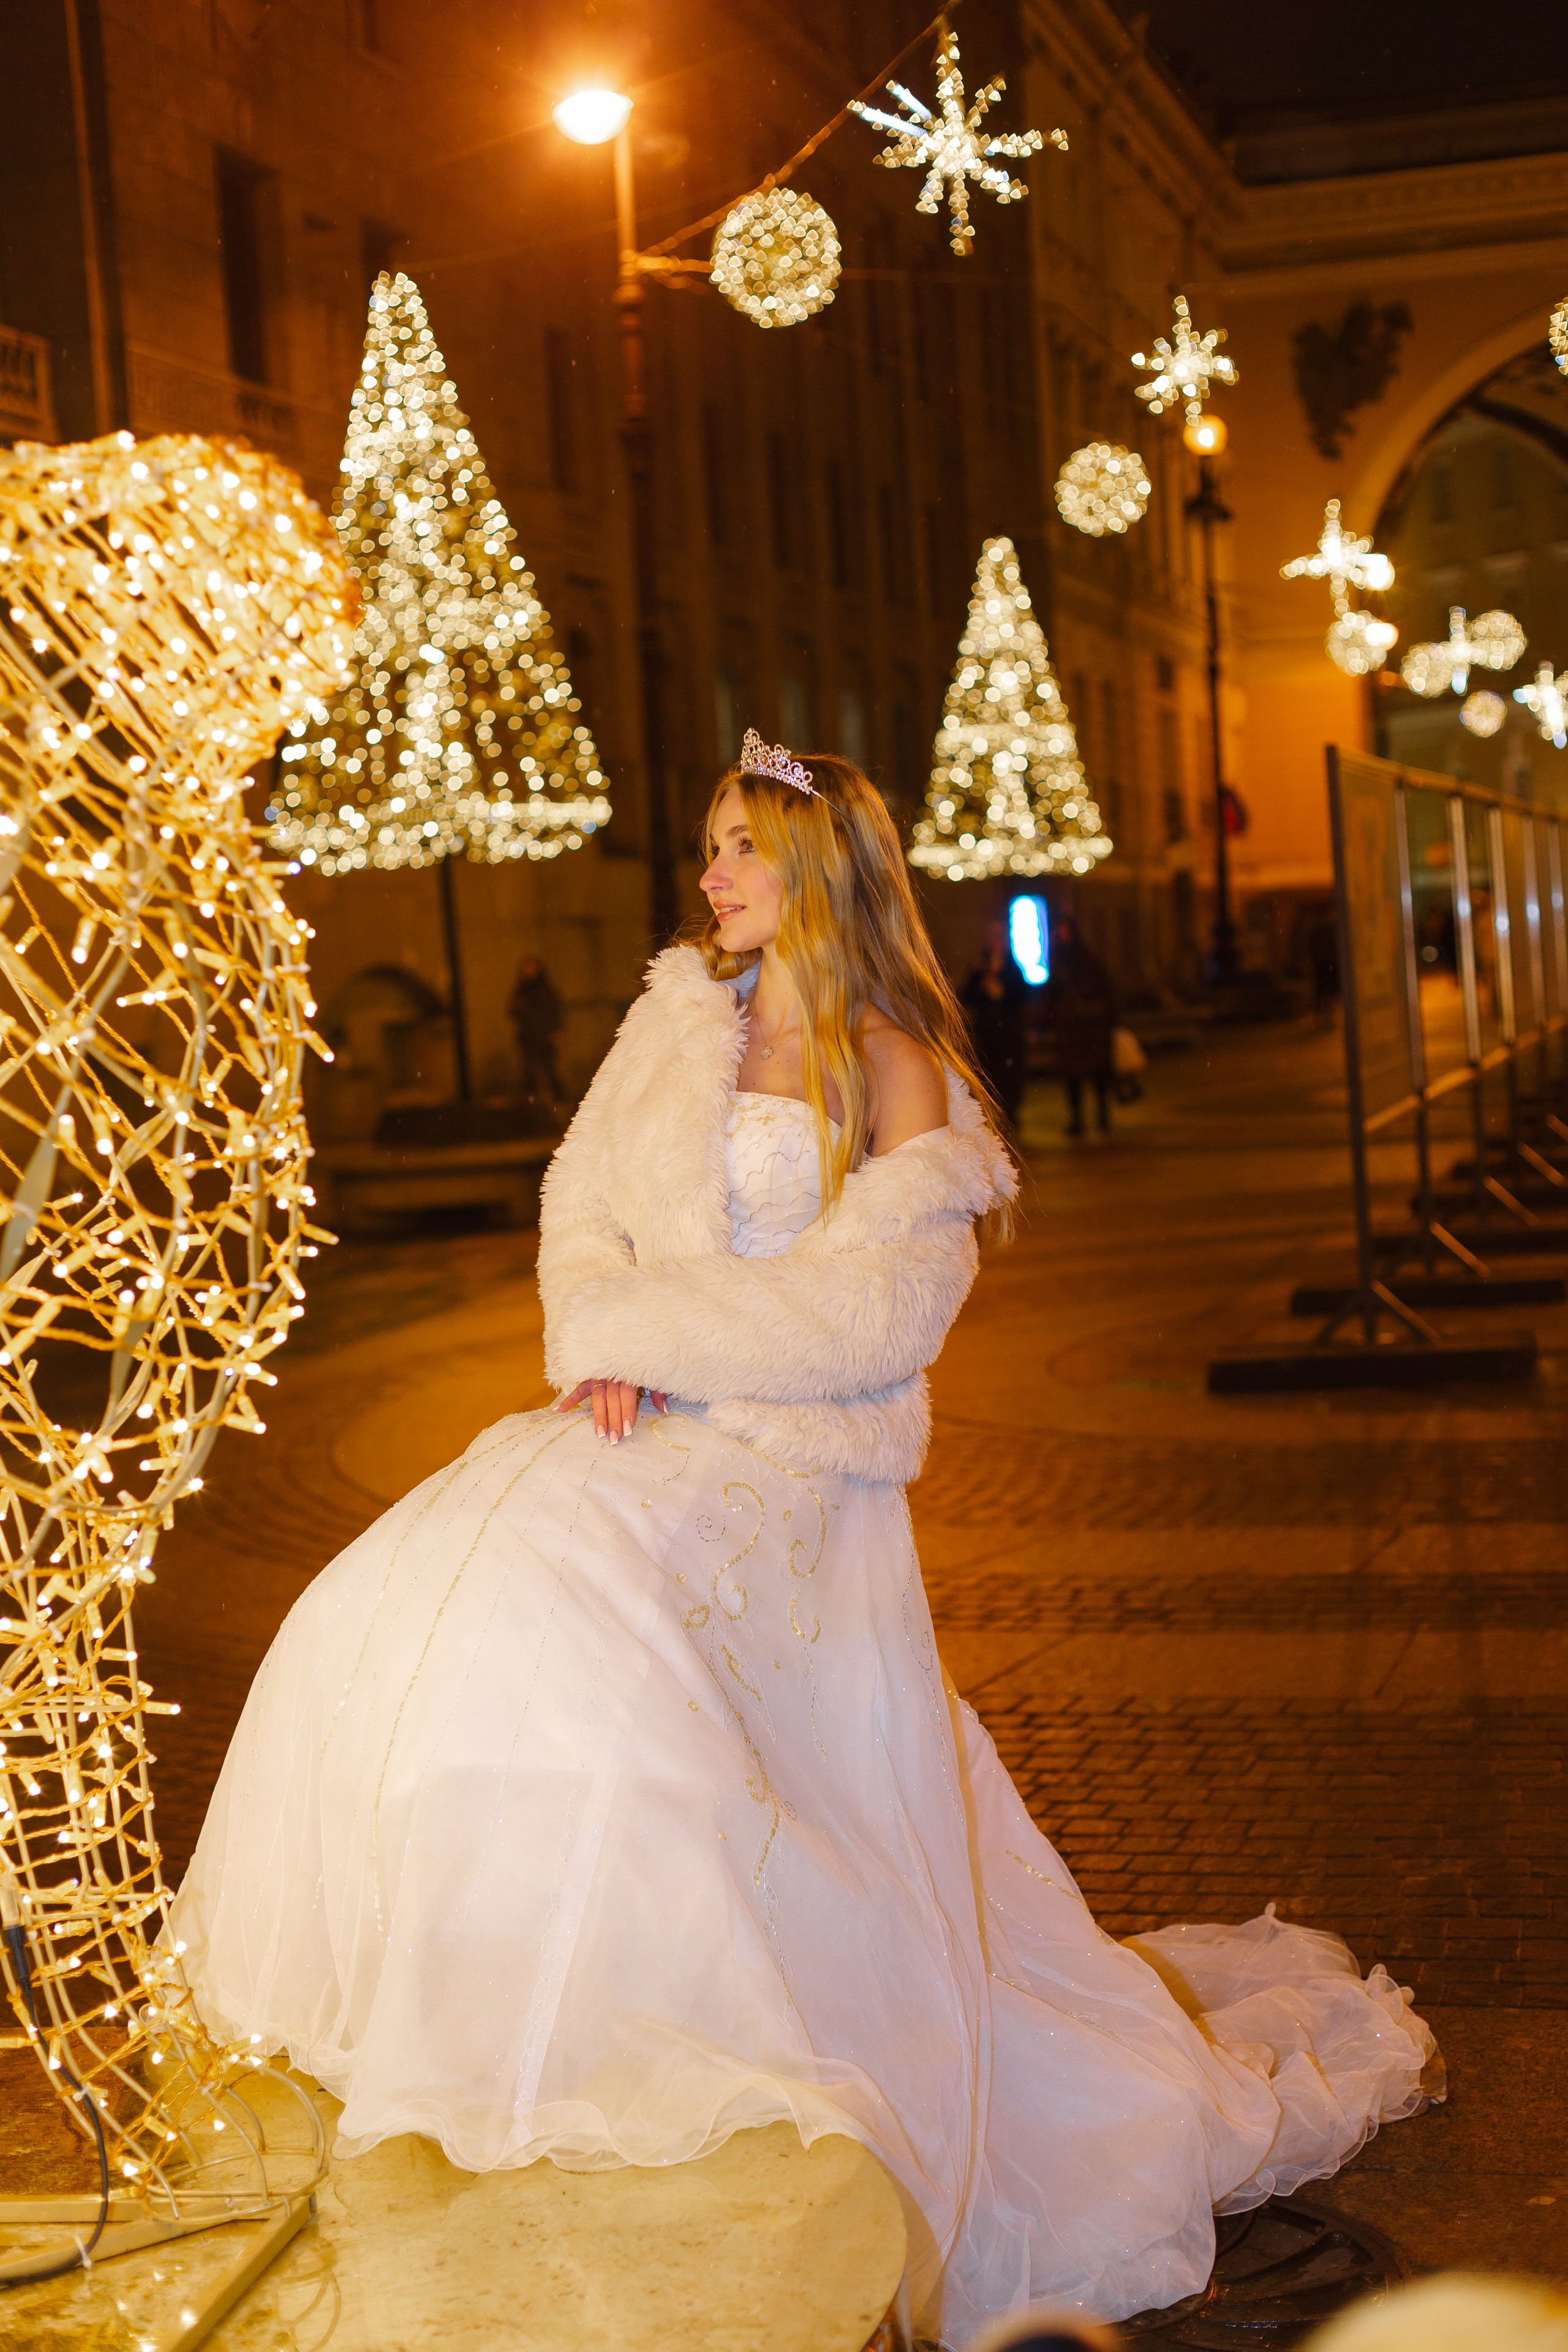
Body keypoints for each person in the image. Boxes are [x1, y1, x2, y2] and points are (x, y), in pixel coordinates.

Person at [171, 734, 1438, 2344]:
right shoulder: (673, 1019)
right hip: (633, 1425)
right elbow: (580, 1209)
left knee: (572, 1625)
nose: (708, 877)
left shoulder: (898, 1061)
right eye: (708, 846)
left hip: (789, 1472)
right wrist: (609, 1332)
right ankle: (493, 2020)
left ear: (819, 871)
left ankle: (650, 2036)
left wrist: (679, 1342)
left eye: (739, 852)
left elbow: (880, 1309)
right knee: (397, 1592)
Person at [1041, 914, 1117, 1136]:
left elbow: (1106, 991)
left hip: (1090, 1029)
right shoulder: (1059, 962)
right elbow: (1051, 996)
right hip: (1071, 1030)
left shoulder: (1088, 960)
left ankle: (1102, 1115)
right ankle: (1078, 1119)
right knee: (1073, 1078)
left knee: (1098, 1075)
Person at [961, 921, 1031, 1132]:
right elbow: (966, 994)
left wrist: (1004, 992)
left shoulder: (1012, 967)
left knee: (1010, 1077)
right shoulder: (980, 966)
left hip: (1009, 1033)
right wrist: (982, 987)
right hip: (988, 1034)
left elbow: (1022, 994)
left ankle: (1011, 1114)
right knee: (989, 1075)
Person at [508, 953, 564, 1104]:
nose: (529, 971)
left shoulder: (546, 990)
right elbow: (513, 1012)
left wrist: (556, 1031)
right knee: (529, 1072)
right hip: (528, 1036)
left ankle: (560, 1102)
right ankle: (529, 1104)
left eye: (531, 968)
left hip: (545, 1036)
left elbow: (555, 1011)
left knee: (549, 1069)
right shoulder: (521, 991)